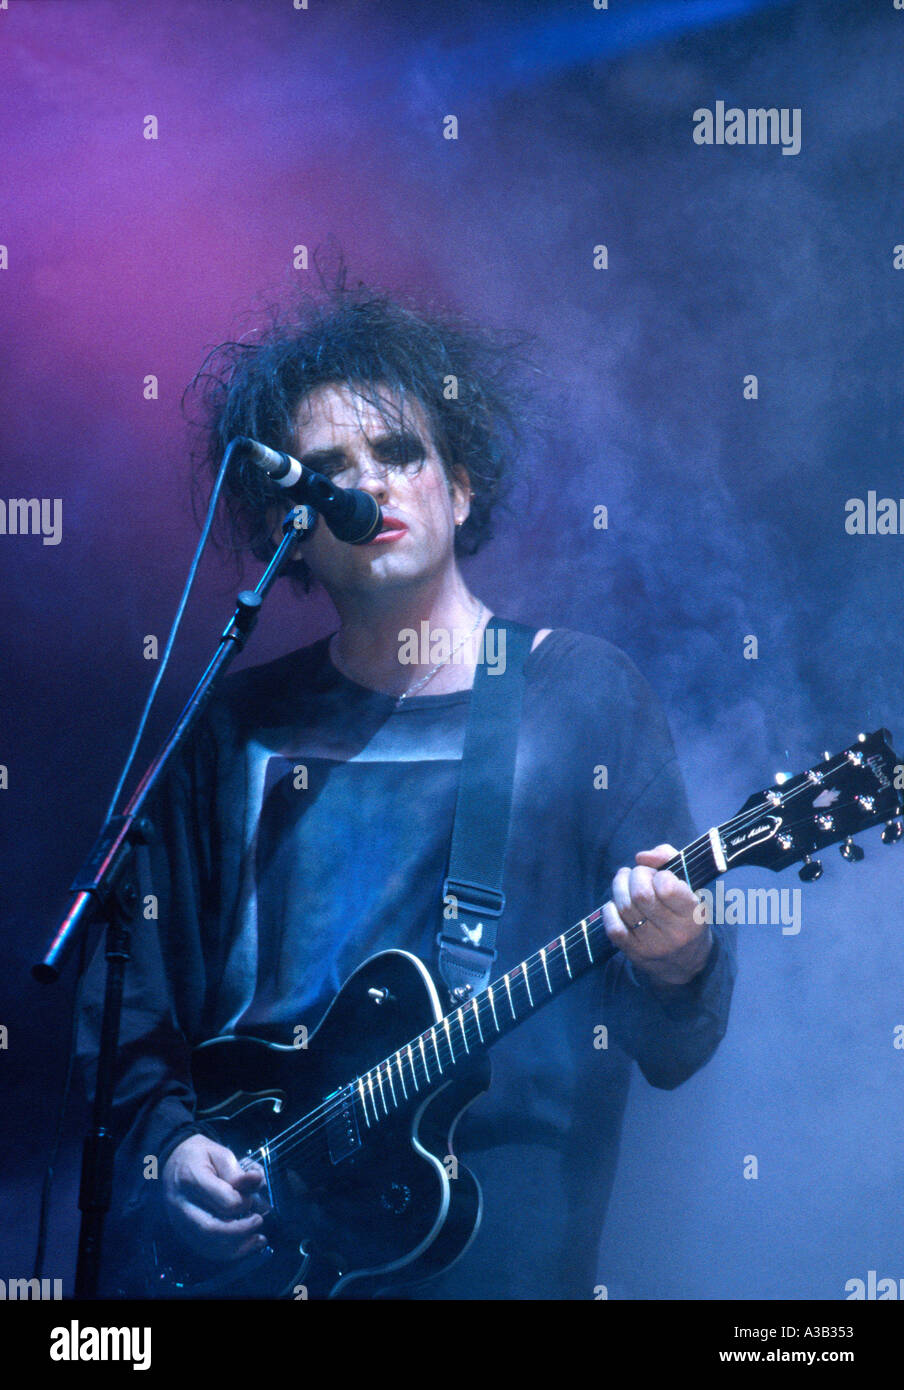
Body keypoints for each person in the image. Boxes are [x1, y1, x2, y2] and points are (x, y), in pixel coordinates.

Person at [77, 283, 736, 1300]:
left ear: (460, 488)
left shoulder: (581, 695)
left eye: (397, 453)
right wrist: (167, 1151)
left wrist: (680, 960)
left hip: (491, 1262)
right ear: (291, 525)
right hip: (251, 1260)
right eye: (329, 470)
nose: (368, 484)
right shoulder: (228, 727)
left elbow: (671, 1046)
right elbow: (131, 1005)